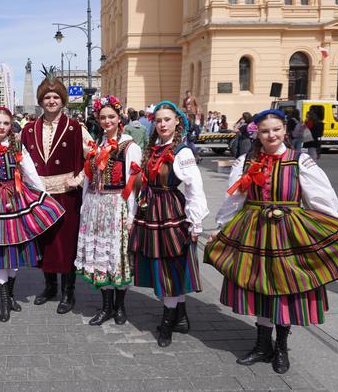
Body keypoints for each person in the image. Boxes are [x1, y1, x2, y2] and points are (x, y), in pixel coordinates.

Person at [204, 109, 338, 374]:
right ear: (257, 134)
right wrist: (221, 227)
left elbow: (322, 200)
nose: (271, 135)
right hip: (255, 231)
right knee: (258, 286)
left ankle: (281, 348)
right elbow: (235, 200)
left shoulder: (301, 161)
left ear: (284, 130)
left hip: (287, 233)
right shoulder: (246, 162)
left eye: (275, 129)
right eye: (265, 131)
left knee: (286, 288)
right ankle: (263, 345)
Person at [0, 106, 65, 322]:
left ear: (11, 126)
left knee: (17, 250)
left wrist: (44, 196)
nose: (1, 126)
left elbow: (30, 173)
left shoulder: (18, 146)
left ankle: (10, 296)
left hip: (17, 199)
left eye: (6, 123)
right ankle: (4, 301)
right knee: (0, 250)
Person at [129, 101, 208, 346]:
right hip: (151, 209)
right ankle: (181, 317)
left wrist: (195, 223)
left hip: (170, 210)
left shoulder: (182, 152)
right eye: (159, 120)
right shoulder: (153, 148)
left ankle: (167, 323)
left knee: (170, 266)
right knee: (165, 265)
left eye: (167, 120)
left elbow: (195, 187)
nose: (162, 124)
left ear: (177, 122)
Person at [21, 66, 93, 314]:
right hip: (39, 195)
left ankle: (68, 292)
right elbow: (21, 161)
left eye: (55, 97)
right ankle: (49, 286)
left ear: (62, 100)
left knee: (66, 243)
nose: (51, 101)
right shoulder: (28, 129)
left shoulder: (75, 127)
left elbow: (94, 157)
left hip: (66, 194)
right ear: (40, 101)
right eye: (46, 98)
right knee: (45, 243)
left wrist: (80, 177)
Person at [74, 96, 142, 326]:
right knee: (102, 257)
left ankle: (120, 306)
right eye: (102, 117)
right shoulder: (97, 145)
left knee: (118, 257)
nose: (106, 121)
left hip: (117, 207)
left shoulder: (129, 147)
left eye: (111, 116)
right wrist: (85, 204)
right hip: (96, 206)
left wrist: (131, 215)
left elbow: (132, 185)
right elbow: (88, 179)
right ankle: (105, 307)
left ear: (119, 117)